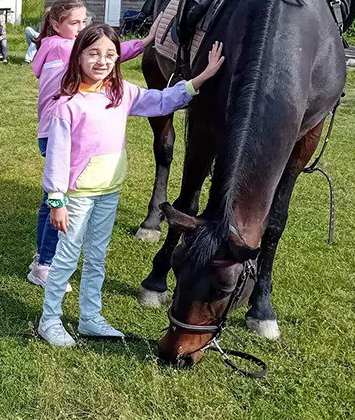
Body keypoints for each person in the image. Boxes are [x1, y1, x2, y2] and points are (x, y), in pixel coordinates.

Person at [37, 24, 225, 346]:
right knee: (67, 257)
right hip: (77, 196)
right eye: (93, 53)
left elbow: (162, 100)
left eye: (110, 54)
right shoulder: (67, 104)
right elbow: (56, 154)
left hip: (109, 192)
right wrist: (57, 200)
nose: (102, 61)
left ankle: (90, 317)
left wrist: (202, 77)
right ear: (78, 56)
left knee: (97, 256)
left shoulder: (121, 93)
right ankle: (50, 319)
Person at [28, 0, 157, 292]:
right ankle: (46, 264)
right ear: (56, 24)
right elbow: (104, 54)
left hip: (49, 129)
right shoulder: (64, 47)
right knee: (59, 201)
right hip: (63, 130)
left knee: (50, 199)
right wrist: (143, 42)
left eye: (84, 21)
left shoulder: (48, 45)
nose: (81, 27)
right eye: (75, 23)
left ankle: (42, 257)